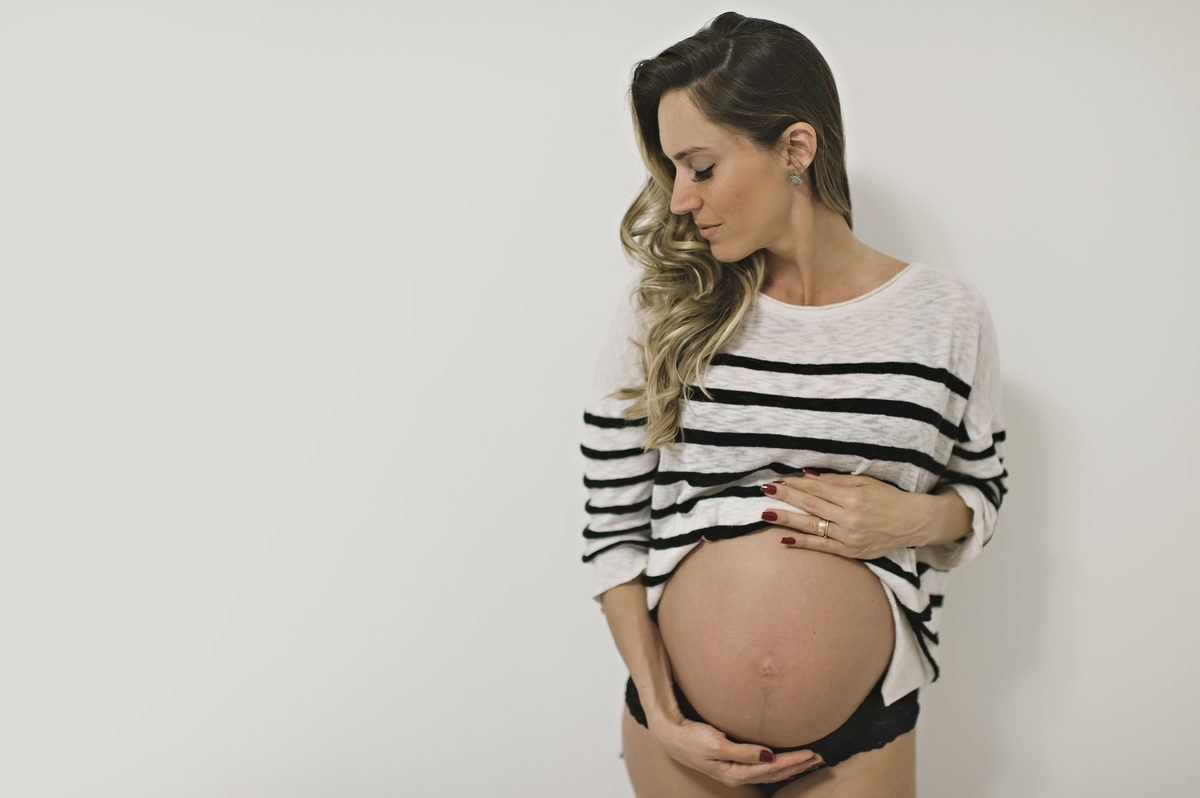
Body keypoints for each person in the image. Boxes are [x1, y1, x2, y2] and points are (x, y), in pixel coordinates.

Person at [580, 12, 1007, 797]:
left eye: (701, 167)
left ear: (796, 148)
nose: (679, 199)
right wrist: (666, 712)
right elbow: (611, 527)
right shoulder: (665, 308)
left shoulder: (946, 313)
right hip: (683, 738)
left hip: (860, 734)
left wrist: (910, 518)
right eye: (672, 170)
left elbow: (980, 491)